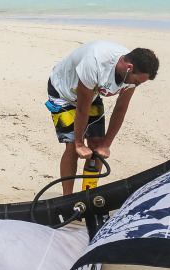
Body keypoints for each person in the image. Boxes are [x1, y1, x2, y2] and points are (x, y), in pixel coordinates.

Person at [46, 41, 159, 195]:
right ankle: (67, 197)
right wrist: (79, 143)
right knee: (73, 146)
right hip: (62, 92)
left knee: (98, 145)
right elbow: (81, 109)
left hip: (91, 94)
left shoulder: (132, 73)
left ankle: (88, 194)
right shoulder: (94, 63)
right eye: (137, 81)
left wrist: (106, 144)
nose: (136, 85)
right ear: (128, 68)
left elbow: (120, 109)